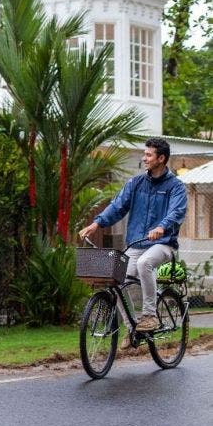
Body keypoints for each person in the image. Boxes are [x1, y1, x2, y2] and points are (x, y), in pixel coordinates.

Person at [79, 138, 187, 344]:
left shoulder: (176, 187)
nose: (144, 158)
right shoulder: (136, 183)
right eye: (144, 154)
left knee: (144, 263)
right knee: (116, 279)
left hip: (163, 243)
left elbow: (176, 212)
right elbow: (117, 206)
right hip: (137, 243)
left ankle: (150, 316)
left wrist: (162, 227)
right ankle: (132, 329)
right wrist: (96, 224)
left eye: (148, 155)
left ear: (161, 158)